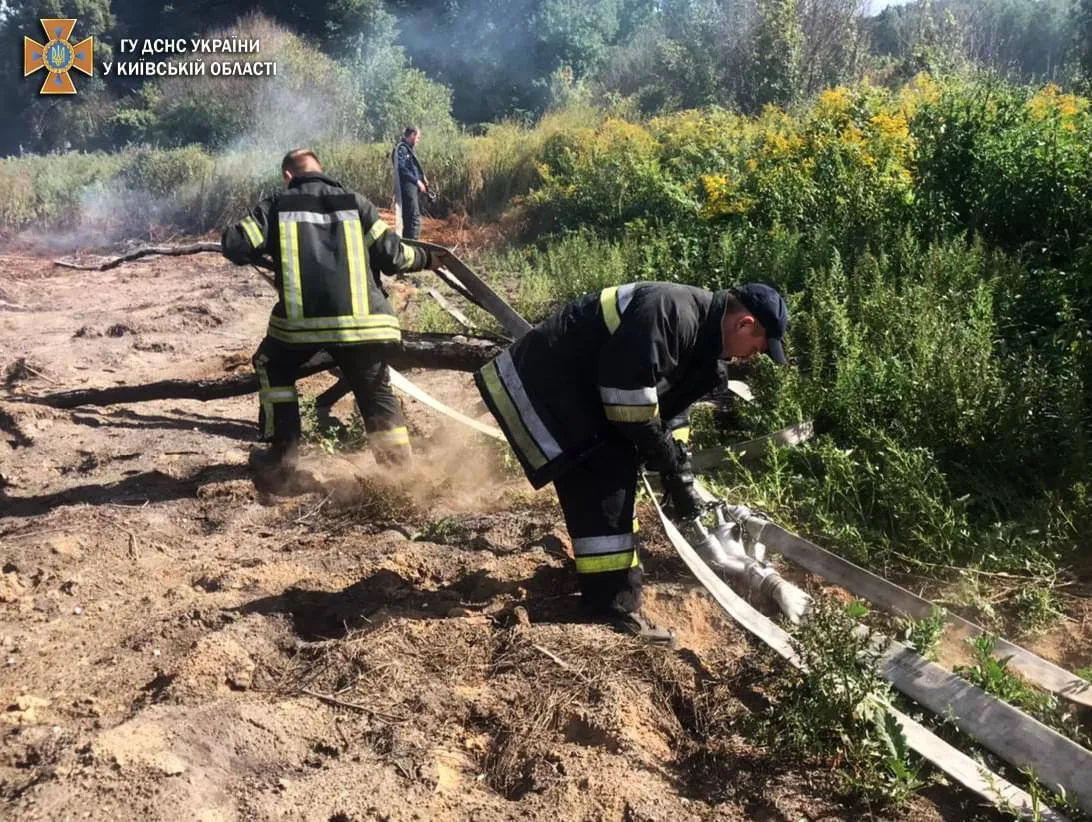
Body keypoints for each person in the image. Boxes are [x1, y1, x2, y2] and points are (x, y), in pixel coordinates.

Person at [474, 281, 789, 645]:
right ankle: (614, 610)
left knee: (613, 478)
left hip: (580, 398)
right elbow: (628, 400)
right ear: (745, 323)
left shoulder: (700, 340)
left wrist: (678, 469)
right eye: (759, 347)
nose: (753, 355)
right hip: (545, 391)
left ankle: (612, 593)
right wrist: (663, 456)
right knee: (607, 482)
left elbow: (671, 410)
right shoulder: (671, 312)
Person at [221, 148, 443, 481]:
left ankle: (283, 455)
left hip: (301, 327)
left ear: (288, 176)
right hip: (365, 325)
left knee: (272, 363)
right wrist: (428, 258)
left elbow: (236, 244)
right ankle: (400, 476)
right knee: (374, 390)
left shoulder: (277, 205)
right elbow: (394, 258)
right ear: (321, 169)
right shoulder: (356, 202)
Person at [392, 126, 429, 240]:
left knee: (411, 218)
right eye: (417, 137)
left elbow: (412, 168)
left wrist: (422, 179)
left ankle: (408, 243)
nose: (418, 140)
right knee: (413, 218)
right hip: (408, 187)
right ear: (412, 135)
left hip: (412, 187)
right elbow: (402, 169)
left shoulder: (408, 150)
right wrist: (417, 181)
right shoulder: (401, 149)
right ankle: (413, 245)